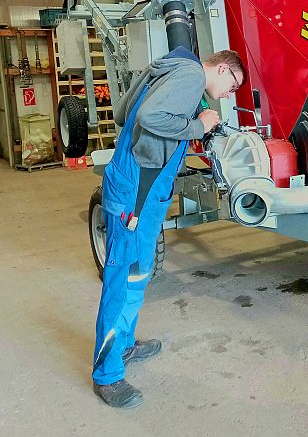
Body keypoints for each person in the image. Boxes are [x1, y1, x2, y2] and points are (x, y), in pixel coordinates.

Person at [92, 46, 246, 408]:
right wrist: (199, 125)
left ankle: (125, 345)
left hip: (145, 189)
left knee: (137, 273)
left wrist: (195, 114)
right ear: (222, 68)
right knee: (120, 277)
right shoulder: (191, 76)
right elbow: (148, 115)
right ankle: (107, 375)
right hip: (135, 191)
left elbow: (121, 114)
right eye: (233, 85)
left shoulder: (168, 68)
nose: (228, 95)